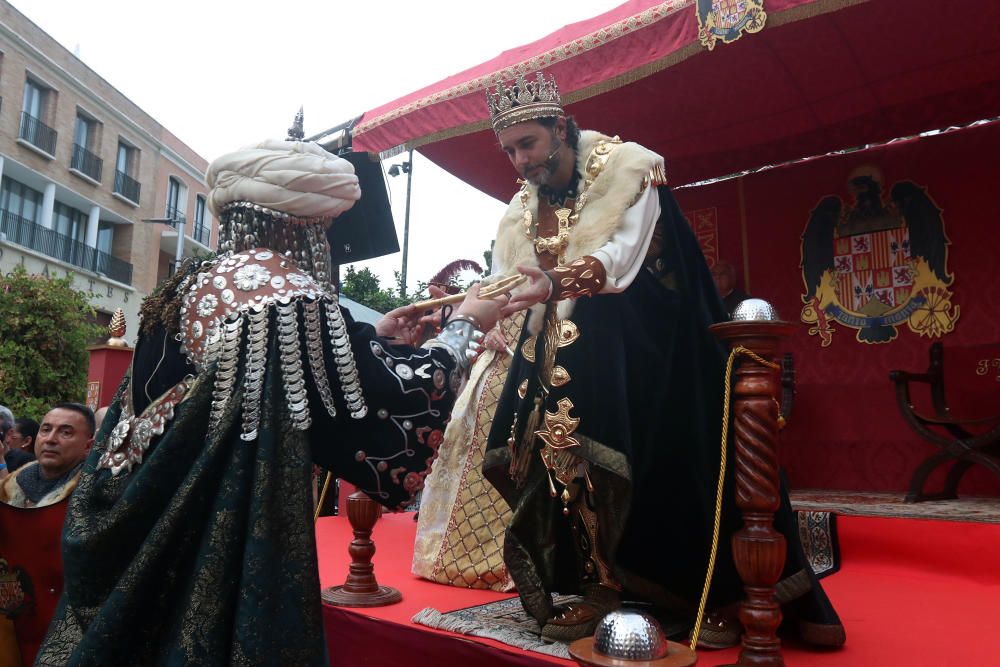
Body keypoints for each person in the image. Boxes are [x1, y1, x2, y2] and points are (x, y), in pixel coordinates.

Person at [35, 139, 507, 666]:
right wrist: (466, 323)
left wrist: (375, 332)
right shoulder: (288, 297)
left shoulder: (189, 285)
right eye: (324, 230)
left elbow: (296, 374)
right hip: (201, 551)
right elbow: (400, 388)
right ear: (302, 225)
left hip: (129, 525)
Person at [479, 71, 844, 647]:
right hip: (578, 347)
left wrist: (546, 285)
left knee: (684, 468)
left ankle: (725, 592)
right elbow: (508, 279)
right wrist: (469, 311)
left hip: (663, 352)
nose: (521, 160)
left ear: (560, 127)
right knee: (566, 464)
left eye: (528, 143)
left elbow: (617, 262)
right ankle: (604, 586)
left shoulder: (630, 169)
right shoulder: (525, 204)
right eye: (509, 150)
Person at [412, 314, 521, 591]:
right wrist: (488, 332)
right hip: (493, 375)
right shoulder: (500, 276)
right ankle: (454, 559)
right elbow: (479, 315)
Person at [0, 406, 92, 507]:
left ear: (88, 446)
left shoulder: (92, 495)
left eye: (66, 432)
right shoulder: (12, 484)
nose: (50, 439)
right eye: (46, 430)